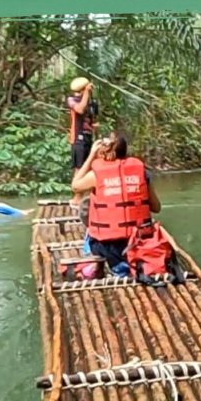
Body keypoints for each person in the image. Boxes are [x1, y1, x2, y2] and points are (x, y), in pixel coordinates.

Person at [71, 134, 160, 275]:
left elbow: (75, 186)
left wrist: (91, 156)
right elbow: (156, 208)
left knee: (88, 210)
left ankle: (95, 263)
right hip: (138, 242)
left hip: (109, 248)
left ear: (107, 152)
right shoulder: (141, 172)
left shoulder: (97, 174)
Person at [67, 77, 98, 208]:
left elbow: (93, 118)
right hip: (78, 138)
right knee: (79, 168)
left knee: (91, 166)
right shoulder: (72, 100)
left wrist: (94, 126)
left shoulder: (91, 103)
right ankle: (77, 198)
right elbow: (79, 109)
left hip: (88, 137)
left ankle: (90, 196)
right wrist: (86, 93)